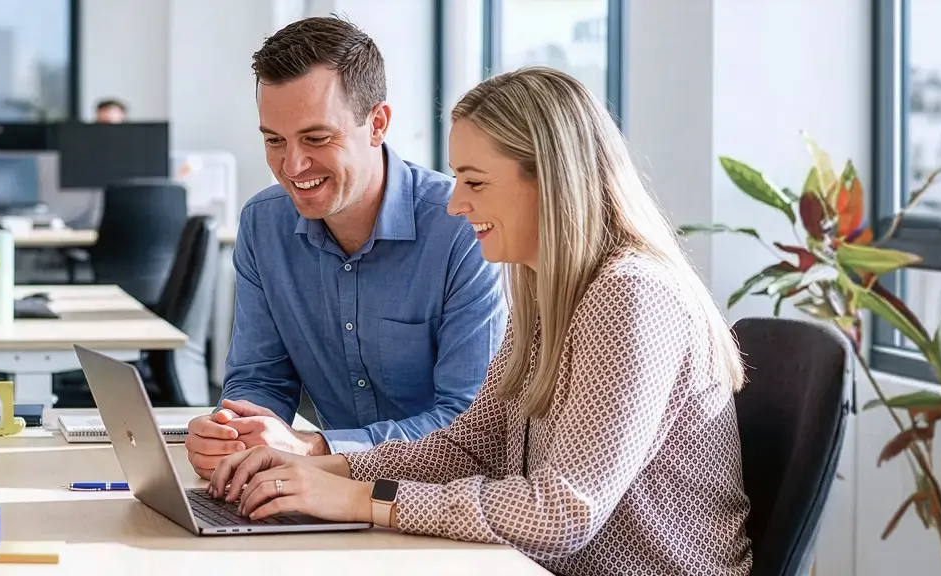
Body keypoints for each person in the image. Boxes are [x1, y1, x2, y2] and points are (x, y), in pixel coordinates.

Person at [207, 66, 754, 576]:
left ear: (551, 180)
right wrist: (314, 470)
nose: (455, 205)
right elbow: (469, 448)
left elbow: (562, 513)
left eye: (475, 182)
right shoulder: (549, 288)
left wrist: (358, 500)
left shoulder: (631, 294)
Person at [184, 16, 507, 479]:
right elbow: (260, 379)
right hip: (330, 498)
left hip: (440, 499)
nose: (292, 165)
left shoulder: (461, 226)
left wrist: (315, 447)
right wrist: (231, 431)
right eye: (274, 140)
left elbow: (468, 427)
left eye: (316, 138)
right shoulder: (263, 224)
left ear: (377, 124)